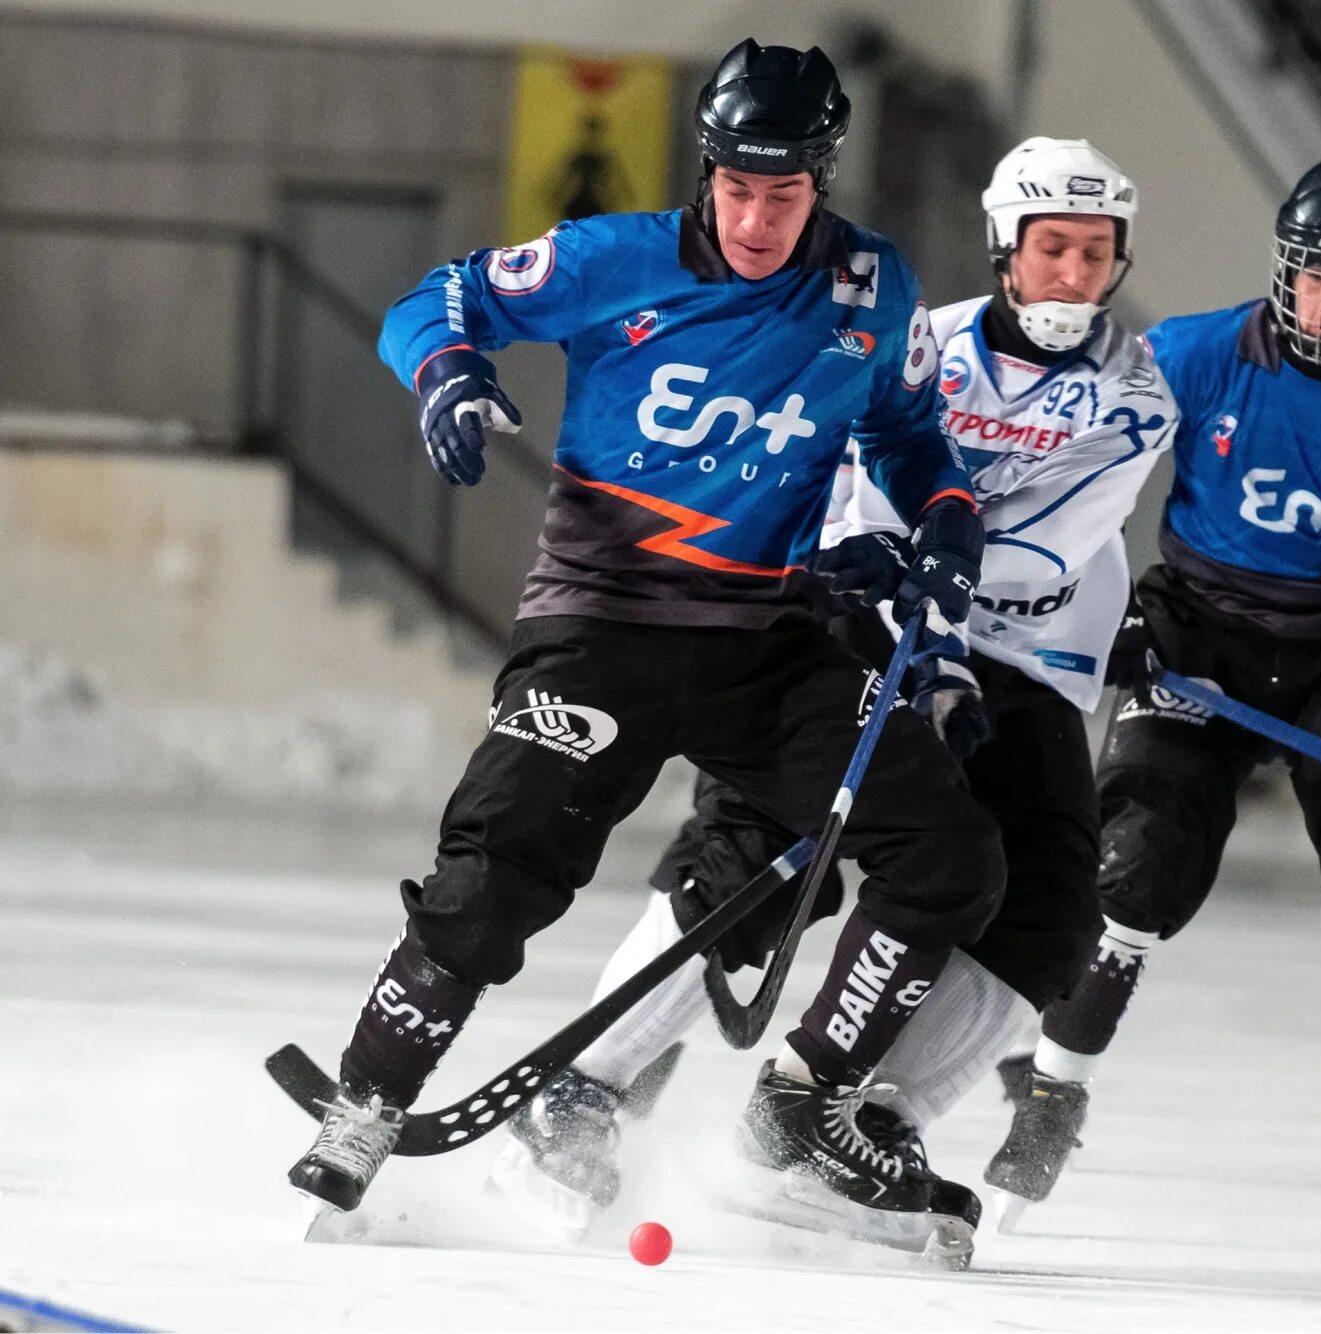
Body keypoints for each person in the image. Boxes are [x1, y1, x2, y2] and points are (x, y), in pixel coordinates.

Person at [285, 39, 1006, 1232]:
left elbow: (910, 432)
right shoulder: (611, 258)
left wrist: (943, 512)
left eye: (783, 195)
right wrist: (447, 375)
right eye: (736, 190)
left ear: (820, 179)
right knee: (495, 870)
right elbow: (438, 299)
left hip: (766, 647)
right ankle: (365, 1103)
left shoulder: (872, 289)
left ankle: (804, 1100)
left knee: (949, 852)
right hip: (600, 628)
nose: (758, 218)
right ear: (707, 171)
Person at [487, 136, 1180, 1245]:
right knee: (773, 838)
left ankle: (836, 1117)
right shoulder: (922, 335)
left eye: (1095, 253)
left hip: (1021, 654)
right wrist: (858, 555)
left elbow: (1046, 551)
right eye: (1050, 246)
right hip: (864, 615)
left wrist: (922, 575)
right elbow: (846, 454)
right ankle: (585, 1085)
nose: (1071, 274)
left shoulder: (1134, 393)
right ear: (1007, 246)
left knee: (1050, 901)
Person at [984, 163, 1321, 1258]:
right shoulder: (1191, 355)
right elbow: (1074, 483)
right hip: (1200, 629)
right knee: (1136, 856)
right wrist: (1104, 606)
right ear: (1285, 270)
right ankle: (1049, 1094)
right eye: (1319, 278)